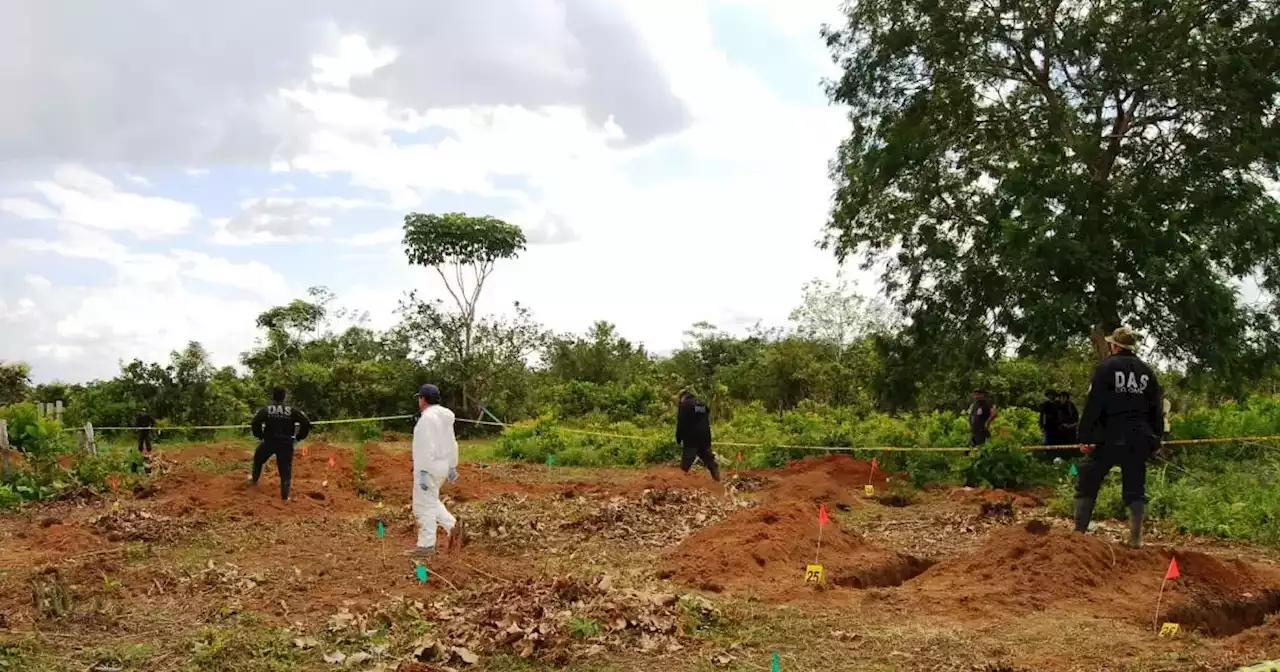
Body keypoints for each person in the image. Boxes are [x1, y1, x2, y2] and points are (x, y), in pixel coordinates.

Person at [1074, 327, 1164, 549]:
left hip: (1109, 435)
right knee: (1135, 486)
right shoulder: (1146, 371)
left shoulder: (1106, 367)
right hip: (1139, 436)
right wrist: (1156, 438)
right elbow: (1156, 408)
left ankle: (1078, 534)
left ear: (1114, 346)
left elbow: (1094, 403)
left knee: (1087, 477)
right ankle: (1135, 539)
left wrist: (1085, 435)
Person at [410, 384, 465, 556]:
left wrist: (423, 472)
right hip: (442, 466)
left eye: (419, 397)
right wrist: (452, 465)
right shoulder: (444, 418)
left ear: (423, 399)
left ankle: (426, 546)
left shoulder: (426, 419)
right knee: (431, 501)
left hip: (428, 467)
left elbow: (424, 446)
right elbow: (452, 443)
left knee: (422, 506)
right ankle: (454, 528)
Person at [250, 387, 312, 501]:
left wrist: (260, 435)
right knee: (285, 471)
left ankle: (253, 482)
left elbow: (255, 422)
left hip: (269, 442)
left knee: (258, 458)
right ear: (284, 397)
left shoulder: (266, 410)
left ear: (273, 396)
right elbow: (306, 423)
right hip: (285, 444)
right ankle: (285, 497)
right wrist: (298, 437)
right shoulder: (292, 410)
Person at [675, 390, 720, 482]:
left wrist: (679, 437)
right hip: (705, 437)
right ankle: (718, 480)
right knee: (709, 460)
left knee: (686, 463)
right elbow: (706, 414)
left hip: (691, 438)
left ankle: (679, 483)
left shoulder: (684, 405)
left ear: (682, 397)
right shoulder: (702, 405)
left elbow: (681, 423)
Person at [133, 408, 156, 473]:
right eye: (142, 411)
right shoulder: (139, 416)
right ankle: (141, 451)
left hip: (146, 429)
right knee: (140, 440)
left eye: (144, 411)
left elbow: (153, 421)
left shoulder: (148, 415)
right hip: (141, 429)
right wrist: (137, 427)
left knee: (147, 440)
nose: (143, 412)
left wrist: (151, 426)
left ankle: (148, 451)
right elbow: (136, 422)